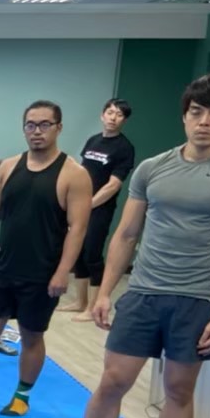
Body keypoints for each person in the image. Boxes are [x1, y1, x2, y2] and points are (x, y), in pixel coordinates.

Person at [50, 74, 210, 418]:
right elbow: (127, 234)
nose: (204, 122)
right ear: (184, 116)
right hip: (144, 292)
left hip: (197, 298)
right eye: (196, 112)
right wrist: (104, 292)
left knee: (179, 390)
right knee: (113, 381)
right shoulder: (153, 168)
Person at [0, 102, 92, 416]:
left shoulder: (74, 175)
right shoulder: (8, 167)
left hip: (42, 271)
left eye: (45, 124)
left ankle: (22, 396)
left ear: (59, 128)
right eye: (30, 125)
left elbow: (78, 228)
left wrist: (63, 271)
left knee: (31, 335)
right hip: (3, 266)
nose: (37, 131)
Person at [63, 98, 136, 317]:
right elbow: (82, 173)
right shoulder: (93, 140)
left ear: (124, 120)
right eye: (110, 112)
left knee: (92, 255)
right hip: (80, 205)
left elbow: (113, 185)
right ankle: (80, 302)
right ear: (102, 115)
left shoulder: (124, 148)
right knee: (78, 253)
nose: (113, 118)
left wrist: (89, 205)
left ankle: (93, 308)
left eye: (119, 115)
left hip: (100, 209)